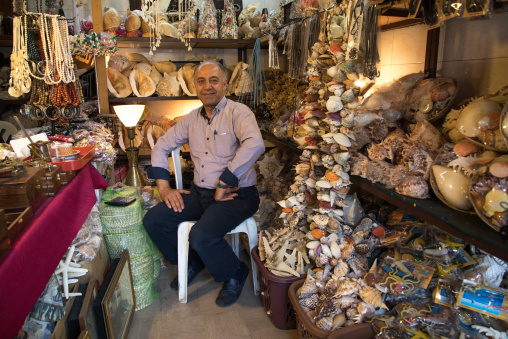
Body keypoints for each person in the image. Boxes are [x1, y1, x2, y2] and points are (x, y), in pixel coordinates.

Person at [143, 60, 265, 307]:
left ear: (225, 85)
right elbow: (161, 145)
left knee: (201, 235)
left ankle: (234, 272)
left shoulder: (239, 112)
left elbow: (255, 144)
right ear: (194, 86)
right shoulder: (191, 119)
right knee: (154, 221)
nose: (207, 86)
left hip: (237, 194)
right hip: (200, 194)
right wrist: (164, 188)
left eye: (214, 80)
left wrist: (224, 181)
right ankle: (194, 262)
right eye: (201, 81)